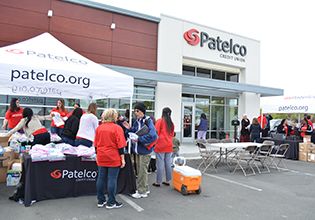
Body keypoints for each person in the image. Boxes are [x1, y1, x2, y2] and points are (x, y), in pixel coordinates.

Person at [94, 108, 126, 209]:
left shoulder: (99, 128)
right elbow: (120, 145)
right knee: (112, 179)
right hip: (113, 156)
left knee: (101, 178)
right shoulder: (117, 128)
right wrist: (123, 159)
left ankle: (100, 200)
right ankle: (111, 202)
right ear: (114, 117)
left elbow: (95, 144)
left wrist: (96, 155)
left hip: (101, 155)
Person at [125, 102, 157, 199]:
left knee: (142, 171)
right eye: (135, 111)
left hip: (145, 150)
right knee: (141, 171)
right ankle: (145, 188)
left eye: (137, 111)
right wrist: (129, 130)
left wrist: (138, 139)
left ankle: (141, 191)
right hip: (139, 150)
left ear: (142, 111)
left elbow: (153, 135)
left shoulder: (147, 121)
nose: (136, 113)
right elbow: (134, 131)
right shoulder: (137, 121)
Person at [152, 107, 175, 187]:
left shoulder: (160, 121)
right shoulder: (171, 123)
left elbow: (156, 133)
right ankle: (168, 180)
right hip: (169, 145)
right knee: (168, 163)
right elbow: (172, 135)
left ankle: (158, 182)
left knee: (160, 164)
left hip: (160, 145)